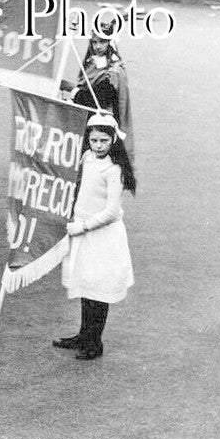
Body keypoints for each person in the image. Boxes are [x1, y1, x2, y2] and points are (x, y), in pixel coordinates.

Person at [55, 112, 136, 360]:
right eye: (94, 140)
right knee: (86, 285)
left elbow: (111, 212)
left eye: (103, 141)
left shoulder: (114, 170)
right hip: (83, 231)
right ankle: (83, 335)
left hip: (102, 236)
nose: (98, 146)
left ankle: (94, 342)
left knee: (98, 290)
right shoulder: (86, 158)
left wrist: (83, 226)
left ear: (113, 140)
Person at [63, 31, 133, 160]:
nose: (98, 47)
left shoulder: (113, 71)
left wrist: (72, 90)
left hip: (102, 127)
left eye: (102, 42)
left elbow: (97, 101)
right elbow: (88, 91)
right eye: (94, 42)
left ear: (110, 43)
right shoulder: (91, 64)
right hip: (85, 123)